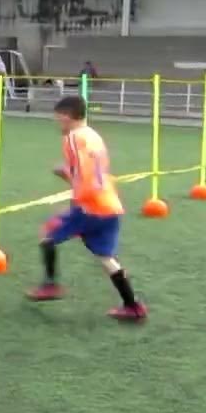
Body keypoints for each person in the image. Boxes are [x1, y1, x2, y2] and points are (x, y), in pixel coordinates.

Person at [28, 95, 147, 321]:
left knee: (47, 234)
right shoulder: (94, 135)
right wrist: (70, 176)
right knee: (105, 257)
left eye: (58, 119)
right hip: (110, 205)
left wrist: (73, 189)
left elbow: (86, 174)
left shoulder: (73, 137)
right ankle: (133, 306)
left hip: (89, 206)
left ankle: (51, 285)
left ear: (66, 116)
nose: (58, 123)